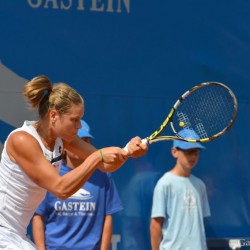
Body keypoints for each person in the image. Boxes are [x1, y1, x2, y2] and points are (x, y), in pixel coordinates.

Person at [0, 75, 147, 249]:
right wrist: (96, 157)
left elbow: (105, 165)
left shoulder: (64, 140)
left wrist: (128, 151)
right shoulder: (22, 140)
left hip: (16, 234)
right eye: (74, 120)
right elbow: (61, 189)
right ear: (53, 115)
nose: (79, 126)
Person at [32, 119, 123, 250]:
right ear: (65, 145)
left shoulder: (102, 175)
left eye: (86, 141)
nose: (80, 146)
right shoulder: (52, 172)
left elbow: (108, 216)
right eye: (78, 141)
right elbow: (38, 216)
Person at [150, 129, 211, 250]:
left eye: (196, 152)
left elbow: (199, 224)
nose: (192, 156)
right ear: (174, 152)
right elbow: (155, 225)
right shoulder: (164, 184)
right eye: (188, 151)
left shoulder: (200, 185)